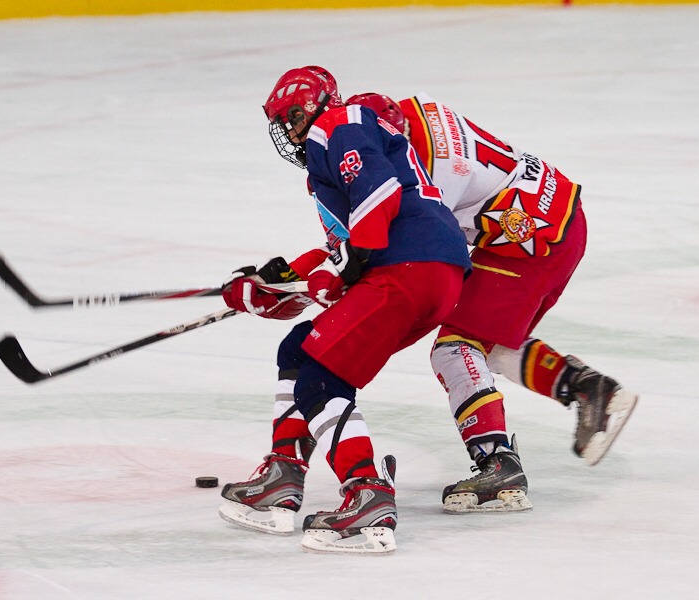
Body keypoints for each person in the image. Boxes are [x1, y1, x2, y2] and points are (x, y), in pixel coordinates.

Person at [345, 92, 639, 513]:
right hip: (556, 222)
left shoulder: (437, 173)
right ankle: (589, 388)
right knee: (486, 343)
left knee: (455, 349)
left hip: (533, 241)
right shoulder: (414, 111)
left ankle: (498, 463)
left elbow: (426, 254)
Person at [218, 67, 472, 554]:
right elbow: (343, 253)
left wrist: (342, 267)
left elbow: (379, 194)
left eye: (295, 116)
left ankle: (367, 494)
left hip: (408, 266)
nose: (292, 130)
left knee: (319, 380)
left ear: (321, 104)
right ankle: (282, 473)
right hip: (428, 272)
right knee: (301, 349)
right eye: (283, 122)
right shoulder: (330, 159)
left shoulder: (340, 122)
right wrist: (275, 284)